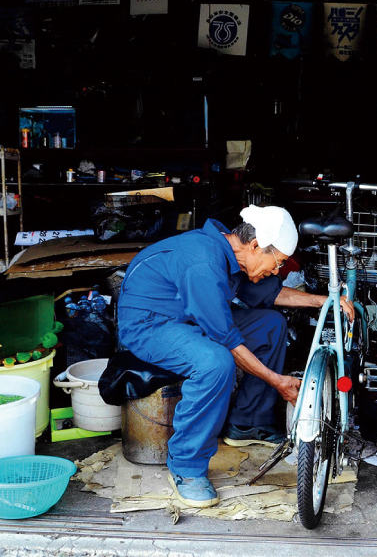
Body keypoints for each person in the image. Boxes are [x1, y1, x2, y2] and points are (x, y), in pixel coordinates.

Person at [117, 205, 355, 508]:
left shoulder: (233, 254)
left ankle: (247, 422)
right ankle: (187, 468)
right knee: (215, 363)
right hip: (152, 324)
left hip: (189, 315)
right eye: (277, 262)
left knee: (270, 325)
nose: (276, 270)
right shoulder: (203, 262)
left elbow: (269, 295)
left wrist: (322, 301)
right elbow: (227, 341)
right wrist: (277, 381)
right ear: (255, 246)